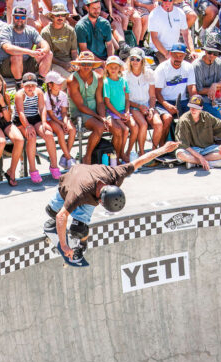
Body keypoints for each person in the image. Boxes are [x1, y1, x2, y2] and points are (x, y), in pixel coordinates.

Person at [43, 141, 179, 261]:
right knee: (52, 212)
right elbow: (62, 216)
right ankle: (62, 228)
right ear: (101, 201)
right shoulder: (78, 194)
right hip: (69, 184)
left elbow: (139, 161)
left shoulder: (117, 175)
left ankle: (82, 243)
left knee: (78, 230)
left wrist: (164, 149)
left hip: (86, 178)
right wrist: (64, 245)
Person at [67, 51, 116, 164]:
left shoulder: (98, 78)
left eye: (89, 64)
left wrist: (103, 116)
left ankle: (115, 158)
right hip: (79, 113)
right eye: (83, 64)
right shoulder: (72, 80)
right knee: (99, 127)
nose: (86, 66)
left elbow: (100, 101)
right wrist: (99, 117)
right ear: (79, 64)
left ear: (93, 65)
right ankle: (87, 156)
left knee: (118, 129)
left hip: (96, 112)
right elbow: (80, 105)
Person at [14, 72, 61, 182]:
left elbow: (42, 108)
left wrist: (44, 122)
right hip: (22, 120)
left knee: (48, 135)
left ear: (36, 85)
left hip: (35, 117)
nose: (30, 88)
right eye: (27, 85)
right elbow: (20, 112)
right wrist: (27, 126)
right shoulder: (19, 95)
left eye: (32, 85)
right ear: (22, 85)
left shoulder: (39, 92)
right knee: (32, 137)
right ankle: (33, 169)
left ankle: (54, 166)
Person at [0, 6, 53, 90]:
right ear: (13, 17)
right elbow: (7, 48)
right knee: (17, 55)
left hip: (26, 64)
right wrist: (29, 52)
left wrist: (44, 50)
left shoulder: (31, 30)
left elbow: (44, 43)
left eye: (22, 17)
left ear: (26, 18)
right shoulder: (5, 30)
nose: (20, 20)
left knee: (49, 54)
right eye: (17, 17)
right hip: (7, 67)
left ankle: (40, 83)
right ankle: (19, 85)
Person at [155, 43, 197, 145]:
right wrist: (166, 105)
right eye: (175, 55)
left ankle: (190, 146)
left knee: (196, 115)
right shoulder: (162, 68)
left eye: (181, 56)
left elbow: (192, 87)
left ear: (184, 56)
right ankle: (162, 146)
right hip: (163, 101)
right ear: (170, 54)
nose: (178, 58)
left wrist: (195, 104)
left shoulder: (188, 67)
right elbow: (156, 92)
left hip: (182, 101)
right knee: (167, 118)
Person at [175, 94, 221, 169]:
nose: (193, 110)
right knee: (180, 154)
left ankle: (194, 163)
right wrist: (200, 157)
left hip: (208, 148)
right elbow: (184, 144)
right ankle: (210, 162)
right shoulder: (183, 120)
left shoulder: (207, 116)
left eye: (196, 107)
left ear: (201, 108)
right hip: (192, 149)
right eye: (191, 107)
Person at [125, 48, 163, 155]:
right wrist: (139, 106)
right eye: (132, 59)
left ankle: (153, 153)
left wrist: (151, 108)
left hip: (147, 105)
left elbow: (152, 96)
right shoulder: (125, 75)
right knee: (143, 124)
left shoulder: (149, 73)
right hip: (133, 106)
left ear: (142, 60)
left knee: (158, 124)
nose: (135, 62)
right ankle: (142, 153)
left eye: (137, 59)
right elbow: (126, 99)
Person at [103, 55, 138, 163]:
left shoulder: (123, 81)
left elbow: (127, 99)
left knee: (134, 127)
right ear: (107, 68)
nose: (113, 69)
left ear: (119, 68)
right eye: (111, 67)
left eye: (116, 67)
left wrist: (127, 112)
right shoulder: (106, 82)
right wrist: (119, 115)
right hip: (113, 112)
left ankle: (127, 152)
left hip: (123, 111)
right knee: (125, 130)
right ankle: (118, 154)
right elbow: (107, 103)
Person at [45, 70, 77, 168]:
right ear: (50, 85)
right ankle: (68, 157)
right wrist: (62, 124)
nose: (60, 84)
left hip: (60, 119)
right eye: (57, 83)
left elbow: (64, 112)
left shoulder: (63, 95)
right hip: (50, 120)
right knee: (59, 131)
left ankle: (65, 156)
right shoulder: (46, 97)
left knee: (72, 130)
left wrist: (65, 122)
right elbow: (51, 115)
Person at [41, 3, 78, 83]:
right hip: (54, 64)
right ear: (52, 16)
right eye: (57, 15)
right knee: (70, 81)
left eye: (63, 15)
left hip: (69, 63)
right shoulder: (46, 32)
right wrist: (63, 64)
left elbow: (74, 52)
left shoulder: (71, 30)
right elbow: (48, 56)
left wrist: (75, 63)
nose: (60, 17)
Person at [193, 35, 221, 119]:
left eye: (215, 53)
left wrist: (215, 85)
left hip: (216, 97)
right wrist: (218, 88)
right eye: (209, 52)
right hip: (200, 99)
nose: (212, 55)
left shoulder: (219, 62)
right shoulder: (197, 65)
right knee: (218, 117)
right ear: (205, 51)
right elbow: (199, 90)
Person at [75, 0, 114, 69]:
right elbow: (84, 49)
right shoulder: (81, 26)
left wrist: (109, 61)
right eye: (94, 8)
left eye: (99, 8)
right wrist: (101, 63)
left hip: (104, 58)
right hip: (88, 60)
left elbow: (109, 45)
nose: (97, 11)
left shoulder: (105, 23)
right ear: (87, 8)